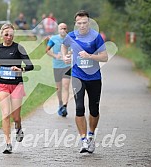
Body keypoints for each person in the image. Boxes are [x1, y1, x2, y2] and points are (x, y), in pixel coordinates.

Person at [61, 10, 108, 153]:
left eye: (84, 23)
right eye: (79, 23)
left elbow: (104, 57)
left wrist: (90, 56)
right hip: (77, 76)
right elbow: (64, 45)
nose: (82, 25)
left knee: (94, 110)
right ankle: (83, 140)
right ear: (75, 24)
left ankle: (91, 136)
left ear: (89, 22)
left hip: (94, 77)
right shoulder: (71, 36)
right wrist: (64, 56)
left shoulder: (96, 37)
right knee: (79, 108)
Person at [0, 23, 34, 154]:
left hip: (16, 85)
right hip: (1, 84)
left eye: (11, 35)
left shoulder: (19, 48)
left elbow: (30, 66)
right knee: (5, 114)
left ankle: (18, 127)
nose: (9, 37)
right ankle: (8, 143)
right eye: (6, 35)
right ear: (1, 34)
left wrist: (21, 69)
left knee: (16, 117)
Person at [46, 23, 71, 117]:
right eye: (61, 28)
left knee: (66, 86)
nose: (63, 30)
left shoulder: (70, 39)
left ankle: (65, 106)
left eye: (65, 28)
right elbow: (47, 50)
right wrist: (55, 56)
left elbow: (75, 49)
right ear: (58, 29)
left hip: (67, 65)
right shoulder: (53, 39)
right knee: (59, 88)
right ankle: (60, 103)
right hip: (56, 66)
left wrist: (70, 54)